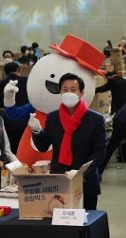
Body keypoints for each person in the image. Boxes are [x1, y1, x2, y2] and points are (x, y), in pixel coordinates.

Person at [30, 73, 107, 210]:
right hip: (59, 179)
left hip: (85, 180)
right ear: (60, 91)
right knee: (60, 223)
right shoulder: (53, 117)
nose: (68, 93)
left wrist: (81, 173)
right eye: (65, 89)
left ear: (81, 93)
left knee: (85, 222)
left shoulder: (95, 119)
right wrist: (36, 130)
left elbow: (99, 151)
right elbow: (43, 146)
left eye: (73, 89)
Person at [0, 62, 29, 153]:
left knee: (11, 146)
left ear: (5, 72)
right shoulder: (27, 80)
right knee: (24, 145)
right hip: (25, 117)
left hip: (8, 119)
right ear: (18, 70)